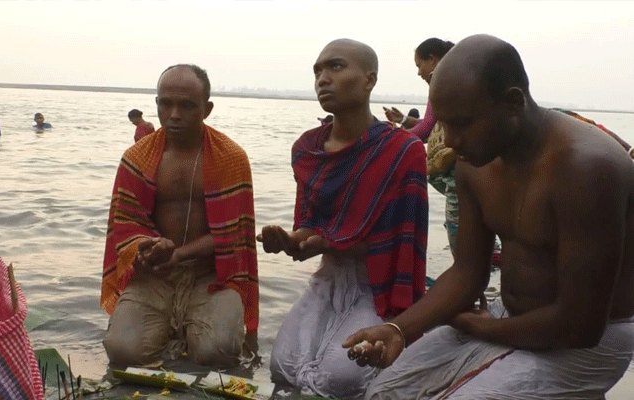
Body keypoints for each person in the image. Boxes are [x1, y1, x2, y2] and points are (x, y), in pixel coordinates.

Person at [344, 34, 634, 399]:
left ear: (513, 103)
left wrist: (477, 327)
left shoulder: (587, 168)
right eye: (443, 124)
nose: (449, 141)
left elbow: (581, 326)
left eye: (462, 124)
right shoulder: (475, 163)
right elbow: (468, 272)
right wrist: (397, 330)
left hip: (595, 338)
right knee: (383, 392)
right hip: (506, 317)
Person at [259, 39, 428, 398]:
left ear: (369, 80)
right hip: (329, 278)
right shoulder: (308, 148)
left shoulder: (403, 151)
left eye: (335, 67)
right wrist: (289, 241)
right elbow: (309, 228)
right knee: (282, 367)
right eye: (318, 71)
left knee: (340, 380)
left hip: (376, 285)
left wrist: (330, 242)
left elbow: (402, 243)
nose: (323, 78)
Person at [101, 64, 259, 368]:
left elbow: (233, 235)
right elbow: (125, 224)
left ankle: (191, 329)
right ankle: (173, 330)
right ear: (156, 104)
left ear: (206, 109)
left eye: (186, 105)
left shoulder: (231, 157)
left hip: (210, 276)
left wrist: (179, 254)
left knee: (217, 352)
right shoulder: (137, 157)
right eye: (165, 104)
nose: (174, 115)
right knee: (122, 351)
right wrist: (149, 246)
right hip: (155, 275)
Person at [383, 38, 454, 141]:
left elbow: (426, 128)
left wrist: (393, 136)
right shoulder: (454, 79)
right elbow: (431, 123)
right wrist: (403, 119)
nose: (419, 73)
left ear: (431, 59)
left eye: (419, 66)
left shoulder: (441, 85)